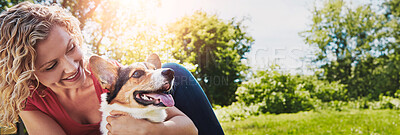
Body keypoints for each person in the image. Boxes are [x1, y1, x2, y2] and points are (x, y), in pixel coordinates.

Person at [0, 2, 224, 135]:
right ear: (27, 75)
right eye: (51, 65)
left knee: (176, 70)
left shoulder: (110, 78)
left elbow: (189, 128)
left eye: (71, 48)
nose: (71, 68)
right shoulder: (31, 102)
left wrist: (148, 130)